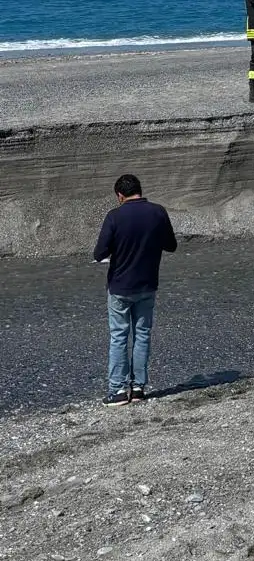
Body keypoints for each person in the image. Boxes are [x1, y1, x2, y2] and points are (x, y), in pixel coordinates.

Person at [92, 174, 178, 406]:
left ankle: (118, 390)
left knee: (119, 336)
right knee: (142, 335)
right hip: (148, 283)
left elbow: (99, 253)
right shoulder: (158, 212)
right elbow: (171, 245)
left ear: (120, 196)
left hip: (120, 285)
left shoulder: (115, 216)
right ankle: (138, 387)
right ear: (139, 190)